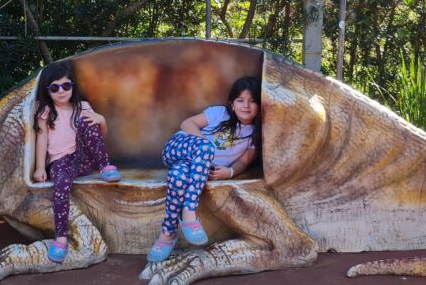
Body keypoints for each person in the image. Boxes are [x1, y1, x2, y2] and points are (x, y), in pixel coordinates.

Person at [147, 76, 262, 262]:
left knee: (178, 177)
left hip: (193, 168)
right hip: (178, 147)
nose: (246, 105)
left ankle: (167, 235)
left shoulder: (254, 136)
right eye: (240, 100)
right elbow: (187, 124)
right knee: (206, 147)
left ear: (260, 105)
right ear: (232, 104)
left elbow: (243, 163)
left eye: (252, 101)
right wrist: (202, 145)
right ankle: (189, 214)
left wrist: (230, 172)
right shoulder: (219, 113)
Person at [33, 61, 122, 263]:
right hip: (61, 161)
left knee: (90, 122)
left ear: (73, 86)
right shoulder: (45, 110)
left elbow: (99, 135)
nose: (61, 91)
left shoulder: (82, 107)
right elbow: (42, 138)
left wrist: (102, 120)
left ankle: (105, 166)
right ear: (48, 91)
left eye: (66, 86)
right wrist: (40, 167)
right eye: (55, 88)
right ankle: (61, 237)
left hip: (83, 158)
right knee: (61, 187)